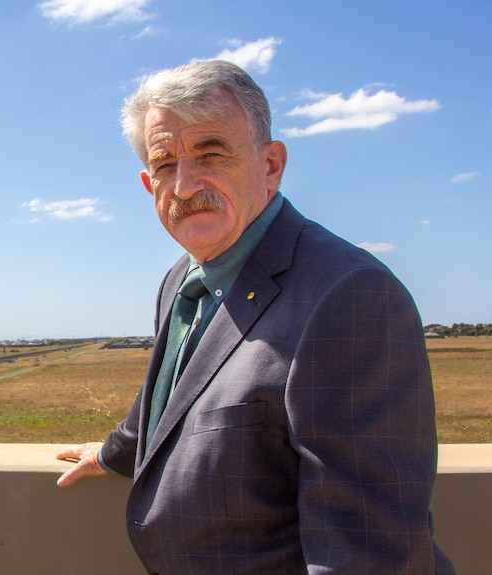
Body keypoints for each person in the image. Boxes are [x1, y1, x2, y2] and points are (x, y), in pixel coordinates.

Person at [56, 60, 455, 574]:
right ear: (146, 181)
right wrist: (114, 453)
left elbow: (365, 548)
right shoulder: (183, 278)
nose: (182, 186)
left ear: (271, 165)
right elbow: (177, 393)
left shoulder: (350, 296)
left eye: (211, 153)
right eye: (164, 164)